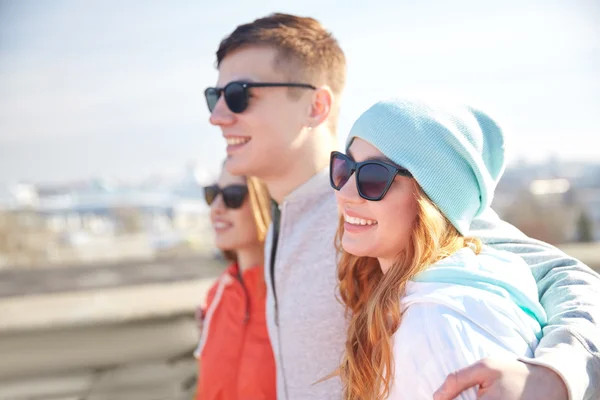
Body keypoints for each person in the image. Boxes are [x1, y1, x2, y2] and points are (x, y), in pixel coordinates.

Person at [206, 13, 600, 400]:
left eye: (240, 95)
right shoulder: (284, 218)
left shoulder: (390, 200)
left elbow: (569, 278)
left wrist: (558, 373)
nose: (217, 116)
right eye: (215, 96)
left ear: (316, 105)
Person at [330, 97, 548, 399]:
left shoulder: (439, 326)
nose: (346, 192)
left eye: (374, 176)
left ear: (432, 201)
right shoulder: (440, 295)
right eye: (346, 168)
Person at [193, 163, 275, 400]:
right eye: (212, 194)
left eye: (233, 197)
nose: (216, 208)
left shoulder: (291, 292)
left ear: (266, 201)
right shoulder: (217, 294)